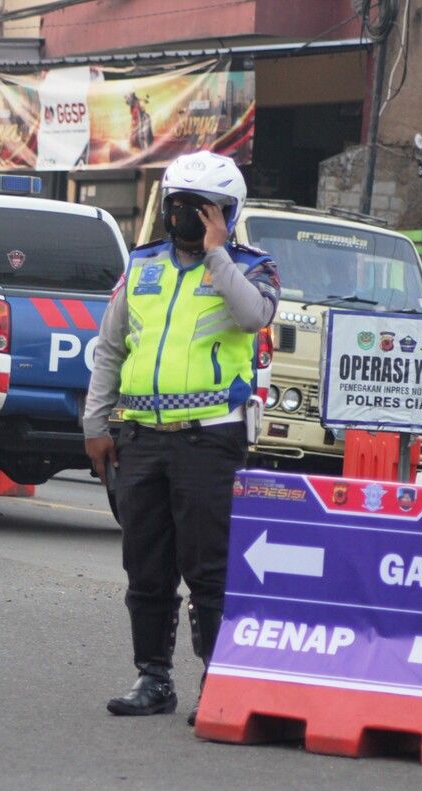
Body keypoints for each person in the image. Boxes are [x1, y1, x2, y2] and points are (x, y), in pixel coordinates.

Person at [84, 151, 279, 720]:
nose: (183, 217)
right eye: (176, 205)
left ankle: (218, 687)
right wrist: (96, 424)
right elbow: (111, 349)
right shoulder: (142, 265)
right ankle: (153, 679)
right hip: (140, 439)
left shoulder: (252, 267)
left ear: (226, 212)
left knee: (209, 569)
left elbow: (251, 317)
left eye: (198, 208)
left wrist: (218, 253)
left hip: (209, 442)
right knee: (145, 567)